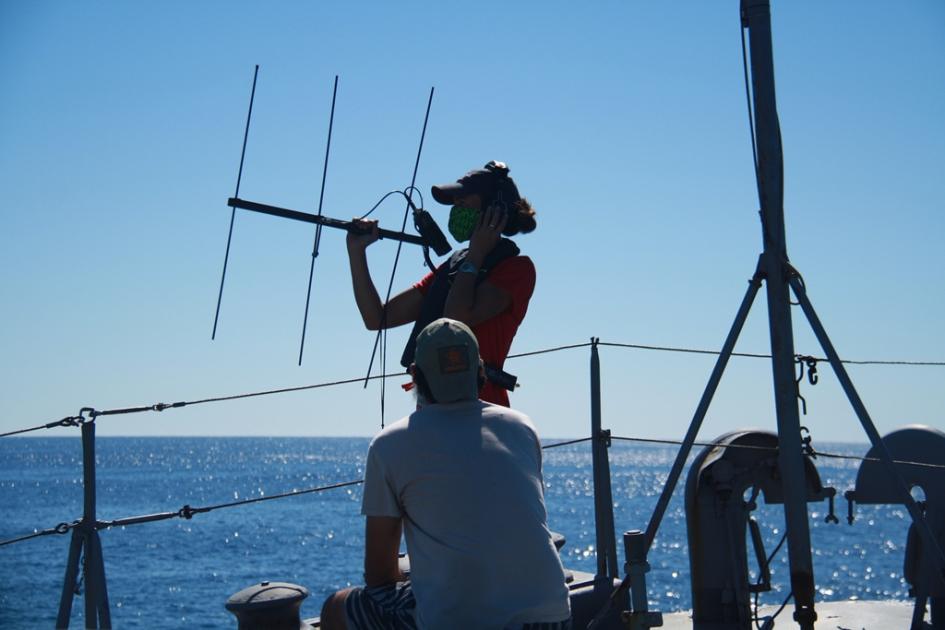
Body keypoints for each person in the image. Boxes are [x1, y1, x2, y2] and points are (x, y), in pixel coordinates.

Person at [320, 318, 571, 630]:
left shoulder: (390, 444)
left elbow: (380, 577)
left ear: (415, 376)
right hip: (551, 620)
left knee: (337, 608)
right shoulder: (521, 427)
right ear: (480, 371)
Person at [347, 161, 537, 407]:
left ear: (494, 208)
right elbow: (377, 318)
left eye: (463, 201)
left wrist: (476, 256)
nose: (456, 209)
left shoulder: (517, 269)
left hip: (483, 408)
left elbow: (456, 320)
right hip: (432, 409)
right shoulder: (454, 267)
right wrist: (356, 252)